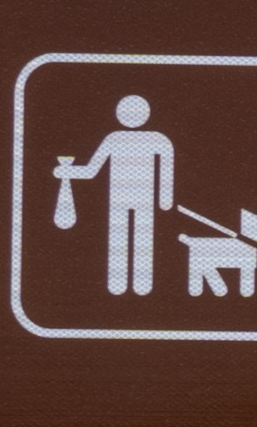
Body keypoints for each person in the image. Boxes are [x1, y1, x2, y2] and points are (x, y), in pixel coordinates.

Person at [55, 93, 183, 300]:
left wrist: (165, 198)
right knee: (119, 239)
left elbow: (167, 166)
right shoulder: (114, 139)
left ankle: (141, 284)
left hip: (142, 200)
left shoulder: (156, 140)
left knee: (141, 239)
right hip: (119, 200)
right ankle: (118, 284)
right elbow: (92, 170)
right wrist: (68, 173)